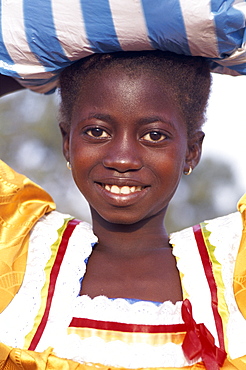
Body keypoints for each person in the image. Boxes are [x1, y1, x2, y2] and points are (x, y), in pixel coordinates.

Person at [0, 50, 245, 370]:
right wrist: (31, 59)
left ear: (192, 151)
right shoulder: (17, 248)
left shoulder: (232, 268)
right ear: (66, 142)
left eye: (154, 135)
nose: (122, 159)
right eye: (97, 131)